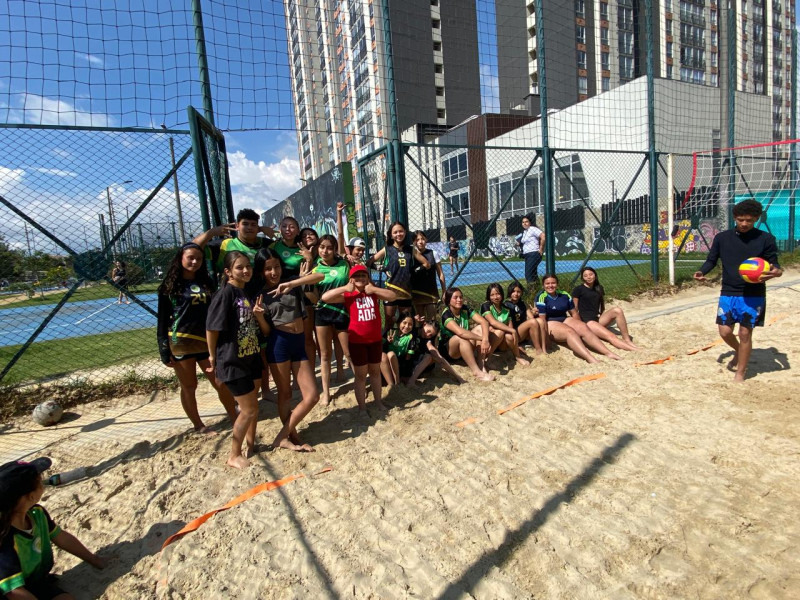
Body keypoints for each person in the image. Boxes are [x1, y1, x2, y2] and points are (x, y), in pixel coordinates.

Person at [694, 199, 782, 382]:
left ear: (756, 219)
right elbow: (712, 260)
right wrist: (702, 271)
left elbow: (775, 266)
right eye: (741, 219)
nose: (744, 223)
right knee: (725, 332)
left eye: (749, 220)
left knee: (744, 333)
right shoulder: (722, 238)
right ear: (735, 217)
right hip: (728, 291)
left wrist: (776, 273)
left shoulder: (765, 239)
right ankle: (739, 351)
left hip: (753, 294)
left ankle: (740, 372)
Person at [157, 243, 237, 433]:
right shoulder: (169, 286)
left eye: (199, 259)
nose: (195, 262)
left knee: (220, 381)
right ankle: (198, 425)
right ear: (180, 259)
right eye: (190, 258)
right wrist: (163, 349)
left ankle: (235, 418)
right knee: (189, 386)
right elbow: (162, 320)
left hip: (206, 341)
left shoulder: (206, 282)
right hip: (181, 342)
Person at [0, 458, 106, 599]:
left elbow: (61, 537)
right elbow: (13, 592)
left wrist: (94, 560)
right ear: (30, 496)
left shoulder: (37, 514)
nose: (44, 483)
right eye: (40, 482)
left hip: (33, 582)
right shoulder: (4, 536)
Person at [272, 234, 350, 406]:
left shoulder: (344, 264)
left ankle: (348, 375)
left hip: (342, 311)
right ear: (318, 248)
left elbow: (351, 285)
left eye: (329, 248)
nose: (325, 251)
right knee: (324, 354)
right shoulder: (315, 268)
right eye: (322, 247)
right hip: (322, 312)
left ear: (335, 249)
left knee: (346, 350)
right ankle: (326, 392)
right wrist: (300, 285)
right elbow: (308, 289)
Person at [255, 249, 319, 452]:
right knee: (285, 394)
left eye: (276, 267)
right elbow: (266, 331)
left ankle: (281, 437)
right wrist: (259, 317)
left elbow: (319, 276)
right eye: (268, 269)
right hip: (279, 344)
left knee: (312, 396)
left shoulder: (292, 283)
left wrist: (294, 283)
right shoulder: (261, 296)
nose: (274, 272)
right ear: (261, 271)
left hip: (298, 343)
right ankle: (291, 435)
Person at [206, 251, 264, 469]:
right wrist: (212, 356)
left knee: (253, 407)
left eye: (248, 266)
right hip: (233, 360)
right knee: (248, 409)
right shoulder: (225, 294)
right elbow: (212, 328)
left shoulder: (243, 292)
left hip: (251, 355)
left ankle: (251, 444)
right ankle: (234, 455)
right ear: (228, 272)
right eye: (240, 267)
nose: (246, 270)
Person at [322, 265, 396, 411]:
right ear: (351, 279)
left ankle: (378, 402)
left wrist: (374, 289)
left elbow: (392, 296)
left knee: (375, 372)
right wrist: (345, 288)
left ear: (368, 278)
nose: (360, 278)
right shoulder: (348, 295)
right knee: (361, 376)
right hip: (357, 341)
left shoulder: (373, 293)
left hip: (375, 340)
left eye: (363, 275)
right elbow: (325, 297)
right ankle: (362, 407)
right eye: (356, 276)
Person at [535, 274, 621, 364]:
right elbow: (542, 320)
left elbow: (574, 313)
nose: (550, 285)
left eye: (553, 283)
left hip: (564, 318)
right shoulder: (541, 297)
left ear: (557, 284)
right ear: (543, 285)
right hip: (550, 322)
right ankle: (590, 358)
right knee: (570, 332)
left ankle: (608, 352)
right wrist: (546, 338)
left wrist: (579, 326)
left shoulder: (564, 294)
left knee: (583, 327)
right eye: (547, 283)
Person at [366, 222, 430, 331]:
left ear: (405, 232)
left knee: (406, 323)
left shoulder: (411, 249)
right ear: (391, 235)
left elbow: (426, 264)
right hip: (390, 291)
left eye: (401, 231)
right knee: (389, 323)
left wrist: (414, 270)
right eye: (395, 232)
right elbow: (369, 262)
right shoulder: (387, 249)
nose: (398, 234)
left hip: (405, 292)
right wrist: (383, 268)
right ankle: (388, 341)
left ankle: (405, 342)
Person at [270, 217, 316, 364]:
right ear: (280, 229)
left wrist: (309, 260)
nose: (288, 230)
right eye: (284, 226)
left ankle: (310, 369)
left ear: (297, 230)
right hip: (280, 296)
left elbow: (312, 274)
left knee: (307, 337)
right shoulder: (273, 246)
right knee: (282, 335)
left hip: (302, 295)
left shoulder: (303, 248)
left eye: (291, 226)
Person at [572, 267, 640, 351]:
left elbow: (601, 305)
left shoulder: (599, 288)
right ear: (582, 278)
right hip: (587, 323)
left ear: (595, 275)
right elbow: (574, 309)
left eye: (591, 274)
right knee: (611, 336)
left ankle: (627, 339)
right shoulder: (578, 289)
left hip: (597, 320)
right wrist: (580, 326)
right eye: (585, 276)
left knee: (617, 310)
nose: (588, 277)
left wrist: (601, 315)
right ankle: (635, 350)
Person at [439, 287, 499, 382]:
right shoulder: (446, 314)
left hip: (465, 346)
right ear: (449, 301)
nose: (459, 300)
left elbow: (484, 322)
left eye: (461, 297)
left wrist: (485, 340)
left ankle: (481, 364)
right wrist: (482, 339)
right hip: (450, 352)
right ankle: (477, 372)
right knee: (460, 337)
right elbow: (461, 332)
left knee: (480, 328)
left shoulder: (465, 308)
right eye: (455, 297)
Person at [192, 208, 275, 274]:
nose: (249, 227)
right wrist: (212, 232)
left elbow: (283, 247)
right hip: (233, 289)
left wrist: (264, 230)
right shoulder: (224, 245)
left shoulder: (267, 244)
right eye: (245, 224)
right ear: (237, 226)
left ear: (258, 227)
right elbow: (193, 247)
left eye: (253, 225)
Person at [480, 283, 531, 366]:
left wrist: (515, 344)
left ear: (502, 294)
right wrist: (512, 330)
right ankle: (487, 358)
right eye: (492, 295)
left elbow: (510, 326)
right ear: (488, 296)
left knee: (509, 336)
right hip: (489, 340)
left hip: (502, 343)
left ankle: (517, 357)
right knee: (500, 332)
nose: (495, 297)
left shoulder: (506, 309)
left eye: (498, 294)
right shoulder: (486, 306)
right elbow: (493, 322)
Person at [411, 231, 447, 320]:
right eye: (417, 240)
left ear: (426, 239)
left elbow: (440, 273)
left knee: (432, 320)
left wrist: (444, 291)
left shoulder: (433, 253)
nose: (420, 242)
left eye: (422, 239)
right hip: (417, 293)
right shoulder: (411, 255)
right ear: (414, 242)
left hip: (431, 293)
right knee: (420, 321)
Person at [505, 281, 547, 355]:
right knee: (533, 322)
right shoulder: (506, 304)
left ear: (521, 293)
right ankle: (538, 349)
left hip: (524, 333)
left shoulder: (523, 303)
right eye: (513, 291)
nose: (516, 294)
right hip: (514, 334)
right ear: (510, 292)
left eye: (518, 292)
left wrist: (533, 312)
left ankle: (544, 347)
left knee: (540, 321)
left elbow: (531, 317)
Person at [517, 215, 545, 288]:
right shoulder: (525, 232)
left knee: (528, 274)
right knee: (533, 273)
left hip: (533, 254)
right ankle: (538, 288)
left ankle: (531, 290)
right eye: (523, 222)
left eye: (526, 222)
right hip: (527, 255)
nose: (524, 223)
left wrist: (541, 249)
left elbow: (543, 236)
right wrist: (519, 243)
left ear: (530, 223)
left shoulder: (532, 229)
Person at [336, 201, 367, 266]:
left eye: (363, 250)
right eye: (358, 249)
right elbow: (340, 234)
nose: (361, 252)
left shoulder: (361, 264)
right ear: (350, 249)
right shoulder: (345, 259)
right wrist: (339, 212)